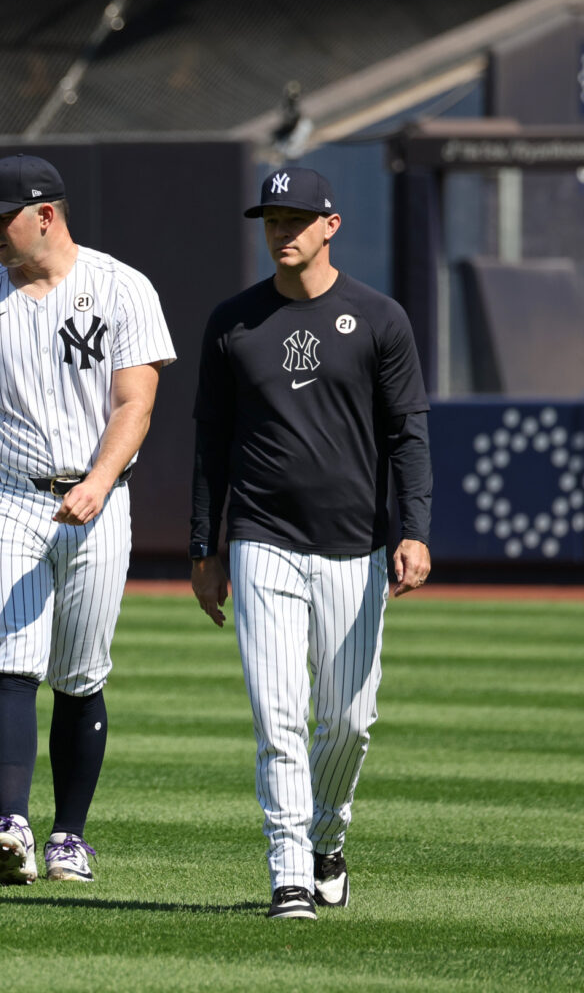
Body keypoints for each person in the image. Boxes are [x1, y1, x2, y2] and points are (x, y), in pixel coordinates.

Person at [0, 153, 175, 885]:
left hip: (97, 504)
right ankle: (12, 824)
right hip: (4, 495)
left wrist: (99, 480)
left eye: (3, 218)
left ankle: (69, 836)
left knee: (81, 674)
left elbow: (137, 403)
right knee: (10, 661)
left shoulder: (122, 288)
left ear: (47, 215)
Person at [188, 167, 431, 920]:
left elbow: (408, 434)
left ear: (331, 225)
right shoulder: (233, 322)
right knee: (279, 715)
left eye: (297, 218)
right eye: (271, 219)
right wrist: (206, 547)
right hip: (263, 540)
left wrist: (414, 530)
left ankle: (328, 837)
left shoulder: (381, 318)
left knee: (351, 722)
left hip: (354, 544)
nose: (282, 231)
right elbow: (210, 443)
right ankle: (290, 871)